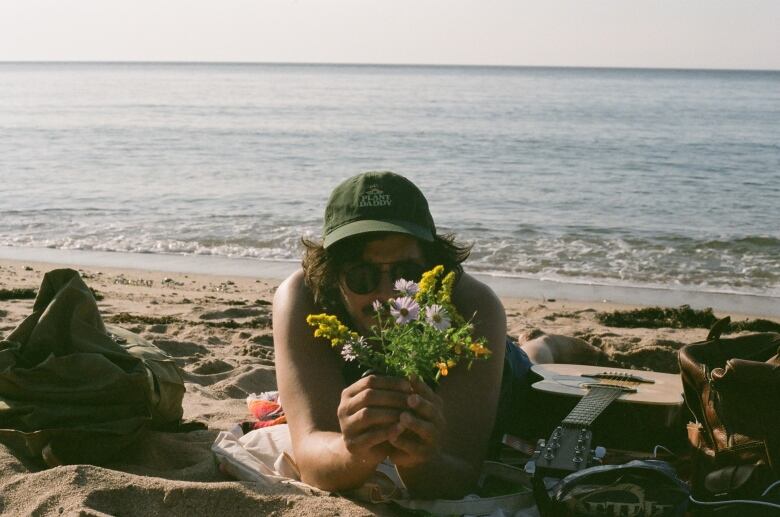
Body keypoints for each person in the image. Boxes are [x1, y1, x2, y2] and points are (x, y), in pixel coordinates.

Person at [272, 171, 597, 498]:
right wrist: (353, 451)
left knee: (531, 362)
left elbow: (459, 471)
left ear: (431, 265)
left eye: (406, 274)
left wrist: (419, 461)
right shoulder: (303, 298)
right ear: (331, 274)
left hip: (498, 373)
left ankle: (547, 343)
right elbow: (312, 456)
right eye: (361, 275)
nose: (387, 296)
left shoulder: (474, 305)